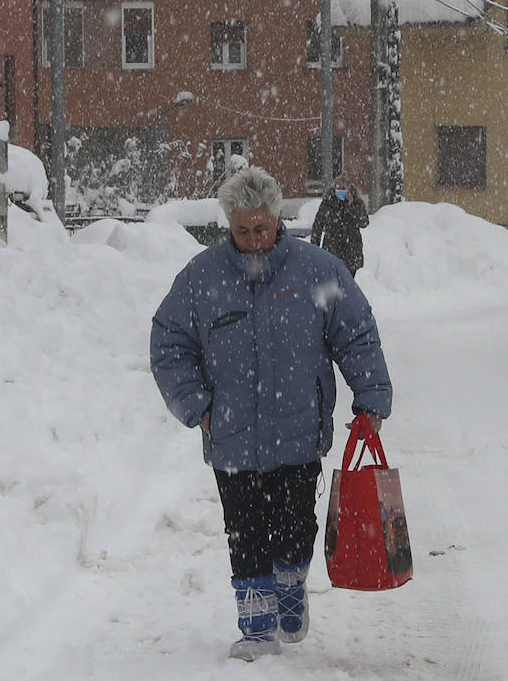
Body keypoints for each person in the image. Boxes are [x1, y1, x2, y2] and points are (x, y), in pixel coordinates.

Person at [149, 166, 393, 661]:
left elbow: (357, 335)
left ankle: (291, 588)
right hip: (232, 435)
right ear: (229, 224)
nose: (254, 238)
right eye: (243, 230)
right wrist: (196, 406)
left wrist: (371, 399)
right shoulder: (201, 278)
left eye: (262, 227)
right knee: (244, 533)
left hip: (298, 431)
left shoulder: (318, 271)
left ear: (278, 217)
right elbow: (169, 343)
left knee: (295, 529)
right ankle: (256, 628)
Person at [310, 181, 369, 277]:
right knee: (332, 284)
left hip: (351, 252)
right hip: (331, 250)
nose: (341, 191)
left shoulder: (357, 202)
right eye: (338, 188)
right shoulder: (328, 203)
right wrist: (315, 249)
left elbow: (364, 222)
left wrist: (351, 206)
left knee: (347, 285)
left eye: (344, 189)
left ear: (350, 190)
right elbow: (318, 226)